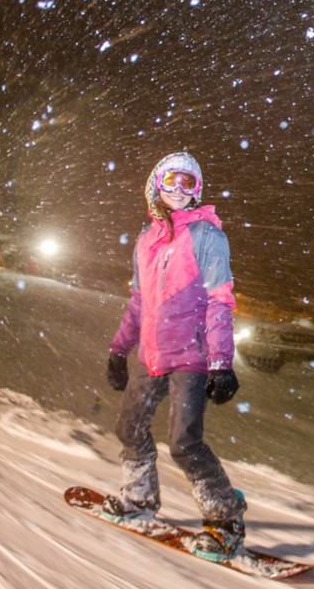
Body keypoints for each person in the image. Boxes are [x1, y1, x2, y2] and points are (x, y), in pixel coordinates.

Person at [104, 151, 246, 561]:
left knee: (184, 443)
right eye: (172, 182)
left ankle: (226, 520)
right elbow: (137, 302)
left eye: (189, 183)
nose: (180, 191)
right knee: (129, 428)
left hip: (192, 357)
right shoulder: (146, 240)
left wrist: (221, 362)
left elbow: (220, 301)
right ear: (156, 187)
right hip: (151, 355)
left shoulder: (207, 236)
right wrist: (119, 349)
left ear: (197, 190)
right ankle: (139, 499)